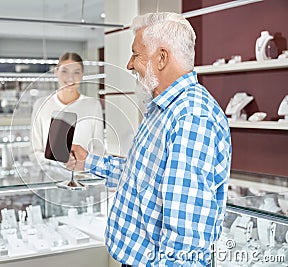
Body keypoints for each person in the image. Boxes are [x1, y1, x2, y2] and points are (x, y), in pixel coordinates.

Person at [68, 12, 232, 266]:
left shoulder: (192, 117)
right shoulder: (162, 110)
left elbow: (184, 237)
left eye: (136, 54)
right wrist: (88, 162)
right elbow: (141, 175)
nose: (129, 64)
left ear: (162, 57)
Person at [30, 52, 104, 166]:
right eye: (64, 71)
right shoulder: (41, 105)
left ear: (82, 75)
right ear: (56, 71)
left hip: (83, 178)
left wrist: (84, 164)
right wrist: (59, 162)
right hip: (51, 178)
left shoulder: (93, 105)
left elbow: (99, 149)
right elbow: (34, 152)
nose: (70, 77)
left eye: (76, 72)